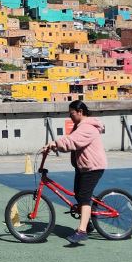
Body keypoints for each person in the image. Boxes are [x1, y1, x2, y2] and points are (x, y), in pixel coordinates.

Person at [42, 99, 106, 245]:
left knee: (84, 196)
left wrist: (55, 143)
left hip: (93, 166)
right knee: (79, 194)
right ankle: (88, 221)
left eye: (71, 114)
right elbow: (70, 141)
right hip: (83, 166)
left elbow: (72, 141)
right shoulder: (79, 126)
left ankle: (82, 231)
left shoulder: (87, 127)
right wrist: (54, 146)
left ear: (80, 112)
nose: (70, 117)